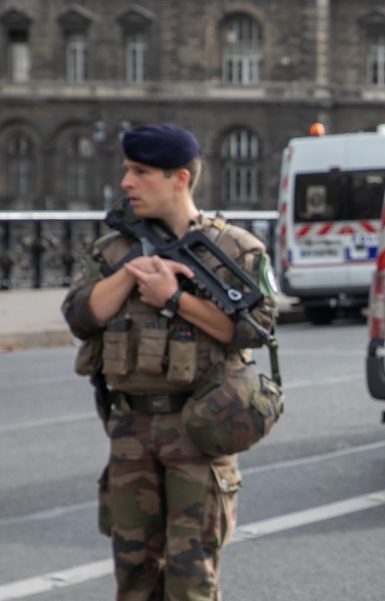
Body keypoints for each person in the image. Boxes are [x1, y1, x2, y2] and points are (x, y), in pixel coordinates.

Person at [62, 124, 278, 600]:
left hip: (198, 428)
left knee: (190, 575)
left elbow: (255, 329)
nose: (127, 183)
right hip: (131, 429)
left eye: (141, 172)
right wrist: (130, 275)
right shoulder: (114, 249)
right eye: (126, 171)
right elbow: (79, 316)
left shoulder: (237, 250)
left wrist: (174, 298)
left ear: (180, 179)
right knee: (134, 574)